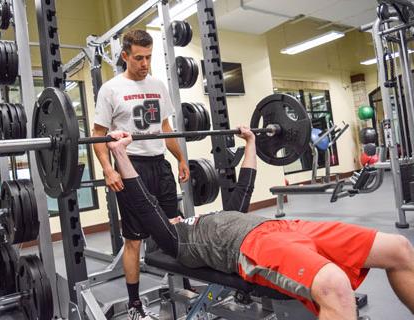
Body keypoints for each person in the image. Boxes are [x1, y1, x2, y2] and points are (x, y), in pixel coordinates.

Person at [105, 127, 414, 320]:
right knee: (335, 287)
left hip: (283, 227)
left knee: (398, 247)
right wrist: (120, 153)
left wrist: (251, 141)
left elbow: (245, 185)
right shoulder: (175, 239)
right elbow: (145, 204)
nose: (172, 212)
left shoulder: (212, 216)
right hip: (253, 246)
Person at [92, 29, 190, 319]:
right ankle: (135, 305)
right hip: (130, 166)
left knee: (175, 228)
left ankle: (182, 286)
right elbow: (99, 135)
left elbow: (166, 127)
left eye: (148, 57)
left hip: (160, 165)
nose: (145, 63)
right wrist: (108, 169)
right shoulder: (110, 89)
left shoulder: (158, 85)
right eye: (138, 58)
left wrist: (180, 158)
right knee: (134, 240)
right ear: (124, 56)